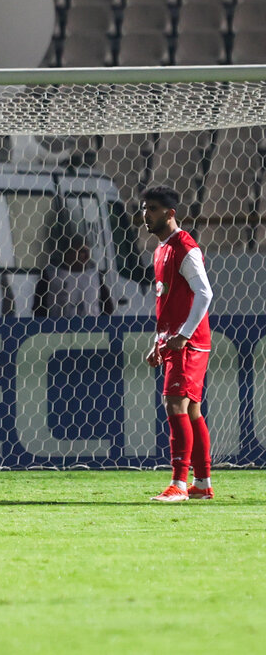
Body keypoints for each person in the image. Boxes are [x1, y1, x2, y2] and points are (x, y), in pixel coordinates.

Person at [141, 186, 214, 502]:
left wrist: (183, 335)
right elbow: (168, 301)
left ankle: (179, 485)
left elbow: (205, 293)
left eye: (153, 208)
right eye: (145, 208)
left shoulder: (184, 246)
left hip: (189, 342)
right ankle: (202, 483)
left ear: (170, 213)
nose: (146, 214)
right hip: (176, 341)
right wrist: (159, 341)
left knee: (175, 404)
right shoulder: (161, 250)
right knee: (193, 411)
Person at [32, 234, 114, 318]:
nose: (87, 256)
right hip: (59, 327)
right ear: (68, 253)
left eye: (88, 251)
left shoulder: (94, 276)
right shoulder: (51, 275)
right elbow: (38, 308)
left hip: (90, 328)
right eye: (82, 251)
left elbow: (108, 307)